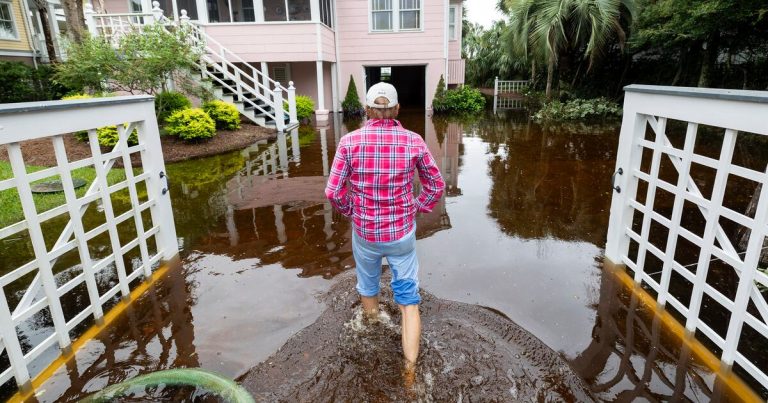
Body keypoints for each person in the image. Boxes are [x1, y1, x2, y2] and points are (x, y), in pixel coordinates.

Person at [325, 82, 445, 369]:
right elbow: (436, 185)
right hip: (401, 234)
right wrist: (416, 207)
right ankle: (410, 372)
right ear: (397, 109)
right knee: (408, 301)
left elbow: (333, 191)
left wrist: (352, 211)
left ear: (366, 109)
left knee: (368, 286)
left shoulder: (349, 142)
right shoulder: (414, 141)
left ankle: (373, 336)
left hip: (365, 232)